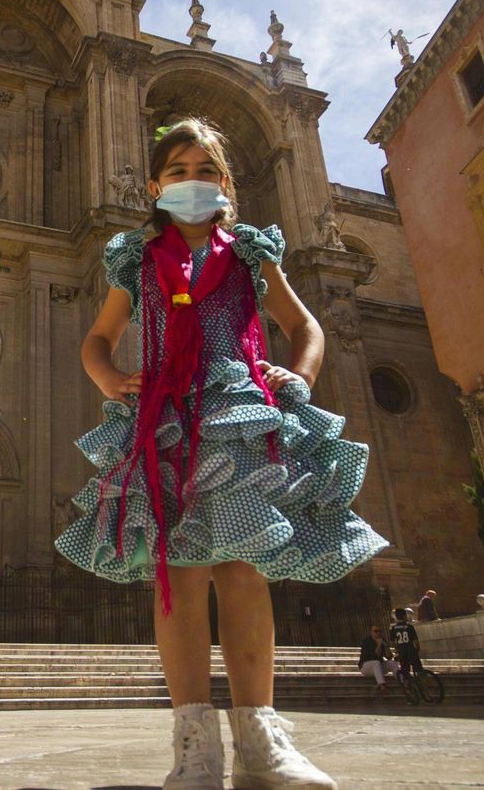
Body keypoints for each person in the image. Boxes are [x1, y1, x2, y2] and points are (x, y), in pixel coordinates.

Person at [55, 118, 388, 790]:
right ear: (155, 186)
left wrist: (304, 372)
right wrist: (110, 378)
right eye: (177, 172)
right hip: (168, 421)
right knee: (179, 577)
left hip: (238, 416)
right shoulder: (136, 261)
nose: (191, 183)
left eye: (204, 171)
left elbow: (305, 325)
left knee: (242, 570)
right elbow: (97, 339)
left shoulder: (251, 255)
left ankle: (261, 744)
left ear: (226, 185)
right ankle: (195, 748)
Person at [389, 608, 423, 688]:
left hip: (402, 652)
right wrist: (417, 649)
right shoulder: (409, 627)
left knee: (405, 670)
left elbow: (393, 642)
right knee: (419, 669)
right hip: (411, 651)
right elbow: (415, 641)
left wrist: (397, 650)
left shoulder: (394, 629)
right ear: (405, 616)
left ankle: (408, 686)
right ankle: (422, 684)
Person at [358, 625, 396, 697]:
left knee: (392, 663)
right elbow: (375, 656)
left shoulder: (382, 640)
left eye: (379, 631)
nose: (378, 633)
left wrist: (386, 646)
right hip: (366, 667)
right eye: (376, 631)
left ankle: (402, 682)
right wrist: (378, 644)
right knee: (376, 662)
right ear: (371, 632)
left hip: (378, 666)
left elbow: (389, 657)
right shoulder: (366, 641)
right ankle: (382, 686)